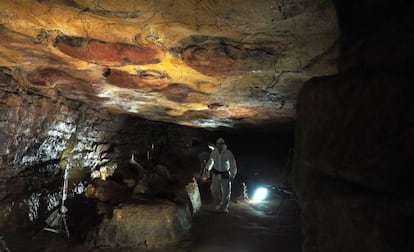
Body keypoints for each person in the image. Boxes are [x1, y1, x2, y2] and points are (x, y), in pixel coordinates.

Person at [205, 138, 237, 213]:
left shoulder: (228, 153)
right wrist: (207, 169)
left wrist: (233, 175)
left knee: (226, 192)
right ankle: (218, 204)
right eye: (218, 144)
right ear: (216, 145)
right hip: (216, 174)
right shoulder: (214, 152)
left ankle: (224, 208)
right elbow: (211, 161)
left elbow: (233, 165)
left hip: (225, 175)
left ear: (223, 145)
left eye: (221, 144)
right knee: (214, 189)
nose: (219, 146)